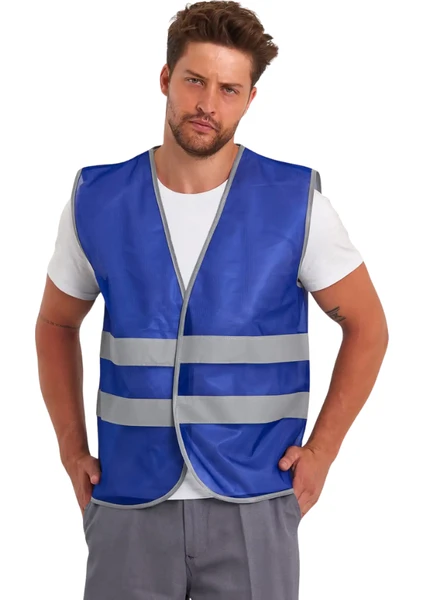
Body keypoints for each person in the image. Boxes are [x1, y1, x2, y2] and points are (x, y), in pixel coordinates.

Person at [35, 2, 389, 598]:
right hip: (127, 500)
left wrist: (323, 451)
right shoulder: (97, 199)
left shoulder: (296, 203)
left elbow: (369, 327)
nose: (208, 104)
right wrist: (72, 451)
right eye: (195, 81)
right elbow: (54, 323)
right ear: (165, 78)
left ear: (250, 99)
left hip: (255, 499)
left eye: (229, 90)